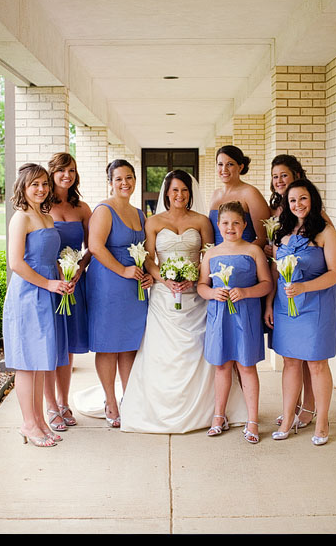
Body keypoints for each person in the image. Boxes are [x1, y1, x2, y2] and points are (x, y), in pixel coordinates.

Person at [116, 171, 248, 433]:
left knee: (198, 350)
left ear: (190, 193)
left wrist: (194, 279)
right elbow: (150, 258)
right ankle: (153, 409)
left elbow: (209, 256)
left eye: (184, 191)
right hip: (164, 296)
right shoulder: (153, 222)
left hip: (194, 296)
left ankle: (209, 410)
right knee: (162, 353)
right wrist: (164, 280)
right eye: (175, 190)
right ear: (167, 192)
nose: (180, 195)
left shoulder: (201, 221)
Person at [265, 179, 336, 445]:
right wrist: (269, 304)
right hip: (285, 307)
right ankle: (288, 418)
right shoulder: (281, 233)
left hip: (316, 306)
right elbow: (276, 272)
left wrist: (304, 287)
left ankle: (322, 421)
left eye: (303, 199)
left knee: (317, 363)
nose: (298, 204)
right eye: (293, 200)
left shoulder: (326, 232)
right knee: (290, 362)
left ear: (313, 200)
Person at [77, 160, 152, 427]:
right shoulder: (104, 210)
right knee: (109, 344)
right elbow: (96, 246)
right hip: (108, 283)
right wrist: (123, 271)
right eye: (118, 178)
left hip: (133, 286)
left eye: (129, 178)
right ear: (110, 181)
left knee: (129, 344)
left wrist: (147, 275)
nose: (124, 183)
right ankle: (110, 401)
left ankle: (128, 398)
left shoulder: (140, 214)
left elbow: (146, 251)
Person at [3, 163, 71, 447]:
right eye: (35, 185)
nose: (42, 189)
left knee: (42, 362)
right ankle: (28, 424)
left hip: (47, 293)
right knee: (27, 364)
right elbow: (16, 263)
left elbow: (48, 256)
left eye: (45, 184)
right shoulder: (21, 218)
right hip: (28, 295)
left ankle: (41, 420)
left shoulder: (45, 215)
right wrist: (48, 284)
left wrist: (63, 275)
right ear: (23, 187)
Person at [199, 201, 272, 442]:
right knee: (221, 367)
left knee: (246, 367)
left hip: (245, 316)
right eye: (226, 223)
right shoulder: (211, 253)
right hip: (220, 317)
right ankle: (219, 415)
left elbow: (266, 284)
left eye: (236, 223)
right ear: (218, 225)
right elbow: (201, 286)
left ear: (244, 225)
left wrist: (246, 292)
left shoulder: (253, 251)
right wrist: (212, 294)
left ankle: (252, 420)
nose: (231, 227)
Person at [44, 152, 91, 431]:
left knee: (69, 347)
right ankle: (50, 406)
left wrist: (78, 270)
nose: (67, 175)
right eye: (62, 170)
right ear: (52, 173)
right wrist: (58, 272)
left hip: (74, 284)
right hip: (50, 283)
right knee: (52, 345)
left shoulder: (82, 208)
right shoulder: (41, 206)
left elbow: (91, 249)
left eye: (71, 170)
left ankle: (64, 402)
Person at [208, 145, 270, 246]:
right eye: (220, 164)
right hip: (216, 256)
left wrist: (241, 256)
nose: (224, 169)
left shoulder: (250, 193)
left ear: (240, 167)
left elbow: (263, 238)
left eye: (230, 164)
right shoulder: (215, 194)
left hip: (245, 256)